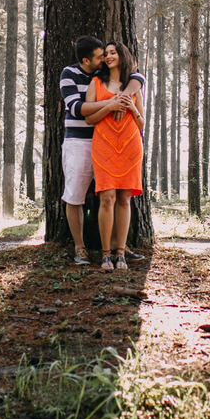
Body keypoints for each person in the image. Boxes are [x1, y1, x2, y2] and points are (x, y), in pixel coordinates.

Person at [60, 36, 143, 266]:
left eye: (107, 54)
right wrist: (112, 103)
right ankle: (80, 248)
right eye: (100, 56)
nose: (104, 59)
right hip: (80, 141)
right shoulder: (70, 74)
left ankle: (120, 248)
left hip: (114, 142)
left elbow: (138, 76)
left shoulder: (110, 76)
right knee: (76, 195)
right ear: (87, 60)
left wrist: (126, 99)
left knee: (116, 196)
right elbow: (77, 109)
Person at [85, 41, 145, 271]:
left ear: (122, 55)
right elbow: (89, 119)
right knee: (107, 197)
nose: (109, 57)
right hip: (104, 145)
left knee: (124, 199)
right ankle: (105, 255)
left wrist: (130, 107)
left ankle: (121, 253)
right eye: (106, 54)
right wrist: (110, 106)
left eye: (113, 53)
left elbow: (142, 122)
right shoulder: (97, 83)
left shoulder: (134, 84)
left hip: (130, 144)